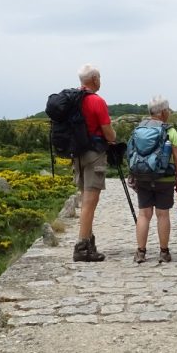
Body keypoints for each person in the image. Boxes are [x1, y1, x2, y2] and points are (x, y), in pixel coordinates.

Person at [131, 96, 177, 264]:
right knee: (163, 214)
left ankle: (141, 252)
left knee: (144, 214)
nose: (168, 113)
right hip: (164, 178)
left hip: (142, 177)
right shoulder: (170, 131)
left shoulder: (138, 129)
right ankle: (164, 252)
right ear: (162, 112)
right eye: (167, 110)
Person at [72, 64, 116, 262]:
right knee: (91, 200)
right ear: (94, 79)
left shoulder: (73, 100)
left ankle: (88, 240)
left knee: (84, 198)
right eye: (99, 78)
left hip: (77, 154)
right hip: (94, 153)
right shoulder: (96, 101)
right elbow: (107, 132)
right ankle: (82, 246)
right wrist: (113, 138)